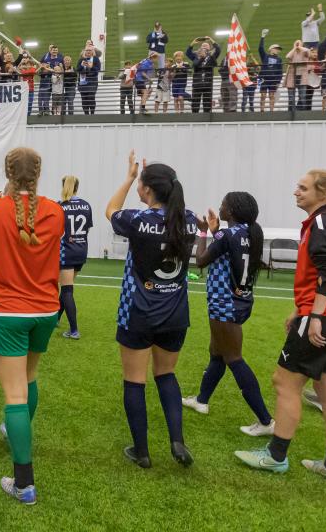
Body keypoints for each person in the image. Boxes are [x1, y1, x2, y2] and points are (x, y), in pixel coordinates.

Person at [235, 170, 326, 485]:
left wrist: (314, 316)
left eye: (303, 188)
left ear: (325, 194)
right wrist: (300, 309)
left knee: (285, 383)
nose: (296, 192)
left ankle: (276, 457)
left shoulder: (323, 222)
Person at [0, 147, 63, 505]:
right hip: (45, 310)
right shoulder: (56, 211)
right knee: (29, 378)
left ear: (7, 173)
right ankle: (15, 430)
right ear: (38, 174)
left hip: (9, 310)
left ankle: (24, 483)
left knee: (14, 395)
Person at [105, 151, 197, 469]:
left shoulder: (139, 220)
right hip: (175, 312)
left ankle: (141, 451)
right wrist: (142, 181)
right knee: (166, 374)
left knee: (134, 380)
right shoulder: (190, 219)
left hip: (139, 312)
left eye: (142, 184)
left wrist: (129, 178)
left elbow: (111, 210)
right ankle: (177, 441)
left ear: (147, 189)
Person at [182, 193, 274, 436]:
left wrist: (203, 232)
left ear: (231, 211)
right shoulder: (247, 233)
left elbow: (201, 261)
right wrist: (216, 231)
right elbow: (228, 250)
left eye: (223, 204)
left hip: (224, 302)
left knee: (233, 357)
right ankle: (201, 400)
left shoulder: (227, 234)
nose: (220, 207)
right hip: (240, 299)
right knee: (217, 353)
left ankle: (266, 421)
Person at [57, 176, 93, 340]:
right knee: (67, 288)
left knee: (66, 290)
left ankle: (74, 330)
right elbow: (87, 229)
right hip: (81, 250)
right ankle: (55, 319)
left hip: (66, 251)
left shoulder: (60, 206)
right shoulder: (86, 205)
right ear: (77, 187)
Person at [186, 37, 220, 113]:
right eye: (203, 45)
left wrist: (211, 39)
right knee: (195, 103)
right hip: (197, 84)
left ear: (209, 48)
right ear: (200, 47)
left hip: (208, 84)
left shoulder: (212, 56)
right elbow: (188, 53)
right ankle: (194, 118)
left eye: (206, 45)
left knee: (207, 103)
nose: (204, 46)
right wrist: (192, 43)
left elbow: (218, 49)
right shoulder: (196, 55)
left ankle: (206, 119)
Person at [257, 31, 283, 112]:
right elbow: (260, 48)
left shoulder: (279, 59)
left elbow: (280, 71)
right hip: (263, 79)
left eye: (278, 49)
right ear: (271, 49)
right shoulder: (265, 56)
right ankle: (262, 110)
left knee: (272, 96)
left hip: (273, 80)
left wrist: (278, 81)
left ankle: (272, 111)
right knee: (263, 95)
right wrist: (262, 37)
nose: (278, 50)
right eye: (276, 48)